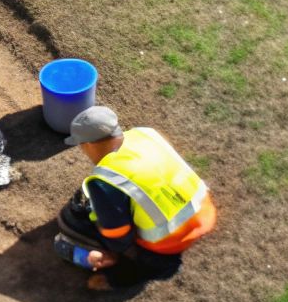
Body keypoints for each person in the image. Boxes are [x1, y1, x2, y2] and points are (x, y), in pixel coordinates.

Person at [54, 105, 217, 290]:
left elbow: (118, 240)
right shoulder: (146, 134)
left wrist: (102, 224)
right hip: (204, 211)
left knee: (71, 224)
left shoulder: (105, 181)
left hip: (169, 241)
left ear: (88, 145)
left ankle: (129, 275)